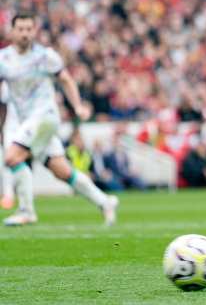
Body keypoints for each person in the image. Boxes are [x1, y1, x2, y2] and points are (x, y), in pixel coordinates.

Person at [1, 13, 118, 226]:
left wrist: (78, 106)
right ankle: (105, 202)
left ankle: (27, 211)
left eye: (29, 29)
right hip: (22, 120)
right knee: (61, 170)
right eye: (21, 29)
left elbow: (66, 80)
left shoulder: (45, 56)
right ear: (12, 31)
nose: (25, 34)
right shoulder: (4, 59)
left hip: (45, 116)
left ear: (34, 31)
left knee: (11, 157)